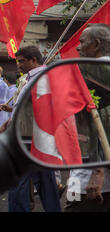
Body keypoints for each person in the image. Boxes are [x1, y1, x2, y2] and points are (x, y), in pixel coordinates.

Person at [65, 24, 110, 212]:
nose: (78, 47)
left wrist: (98, 171)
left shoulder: (89, 72)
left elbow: (99, 123)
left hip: (89, 178)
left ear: (96, 44)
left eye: (82, 42)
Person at [1, 46, 61, 212]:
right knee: (46, 184)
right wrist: (9, 123)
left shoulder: (42, 78)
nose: (18, 65)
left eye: (22, 61)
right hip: (31, 137)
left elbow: (41, 110)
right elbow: (25, 108)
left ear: (33, 60)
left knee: (18, 182)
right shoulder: (31, 78)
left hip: (29, 138)